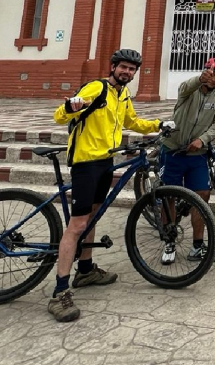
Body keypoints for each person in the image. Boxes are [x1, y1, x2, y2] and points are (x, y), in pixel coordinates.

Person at [48, 48, 175, 323]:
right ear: (113, 66)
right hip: (85, 163)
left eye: (132, 69)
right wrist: (70, 107)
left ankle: (85, 270)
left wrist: (159, 124)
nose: (128, 72)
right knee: (78, 224)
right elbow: (60, 115)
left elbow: (131, 121)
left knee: (94, 215)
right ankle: (59, 291)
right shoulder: (97, 87)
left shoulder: (123, 94)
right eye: (124, 68)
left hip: (105, 161)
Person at [159, 57, 215, 265]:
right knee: (168, 197)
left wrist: (203, 139)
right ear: (205, 71)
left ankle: (198, 246)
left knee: (202, 197)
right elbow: (185, 87)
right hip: (173, 150)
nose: (214, 79)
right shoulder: (189, 89)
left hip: (197, 155)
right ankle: (169, 243)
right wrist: (199, 78)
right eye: (211, 74)